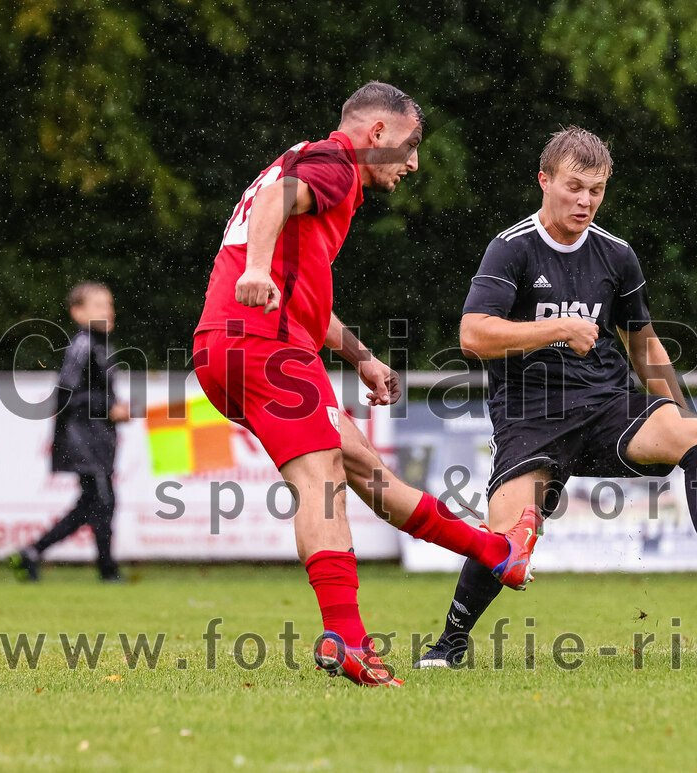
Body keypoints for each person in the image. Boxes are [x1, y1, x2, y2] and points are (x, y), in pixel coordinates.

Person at [416, 126, 697, 668]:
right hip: (531, 418)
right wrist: (555, 329)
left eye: (596, 190)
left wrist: (688, 432)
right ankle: (450, 643)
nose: (585, 201)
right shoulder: (512, 249)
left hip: (606, 406)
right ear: (544, 180)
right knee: (507, 543)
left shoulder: (615, 256)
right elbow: (473, 335)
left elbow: (645, 347)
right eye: (574, 186)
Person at [192, 81, 541, 688]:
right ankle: (345, 637)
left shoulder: (314, 165)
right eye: (408, 146)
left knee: (365, 471)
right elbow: (275, 202)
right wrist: (253, 272)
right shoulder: (336, 164)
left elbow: (297, 285)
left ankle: (494, 553)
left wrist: (361, 357)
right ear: (376, 134)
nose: (412, 163)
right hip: (261, 345)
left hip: (243, 345)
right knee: (321, 474)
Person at [10, 282, 131, 583]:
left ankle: (33, 552)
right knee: (102, 502)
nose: (109, 311)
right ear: (78, 312)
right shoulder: (83, 345)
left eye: (110, 305)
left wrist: (114, 407)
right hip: (85, 441)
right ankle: (107, 570)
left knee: (93, 504)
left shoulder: (99, 344)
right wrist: (107, 407)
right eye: (100, 305)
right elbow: (66, 396)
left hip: (95, 438)